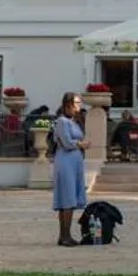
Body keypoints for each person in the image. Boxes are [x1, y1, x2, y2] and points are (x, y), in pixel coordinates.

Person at [51, 92, 91, 246]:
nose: (79, 105)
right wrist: (81, 144)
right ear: (68, 104)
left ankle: (64, 235)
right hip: (66, 161)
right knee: (67, 198)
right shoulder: (62, 121)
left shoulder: (74, 121)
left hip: (74, 161)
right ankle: (65, 235)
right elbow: (67, 143)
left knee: (70, 198)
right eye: (77, 102)